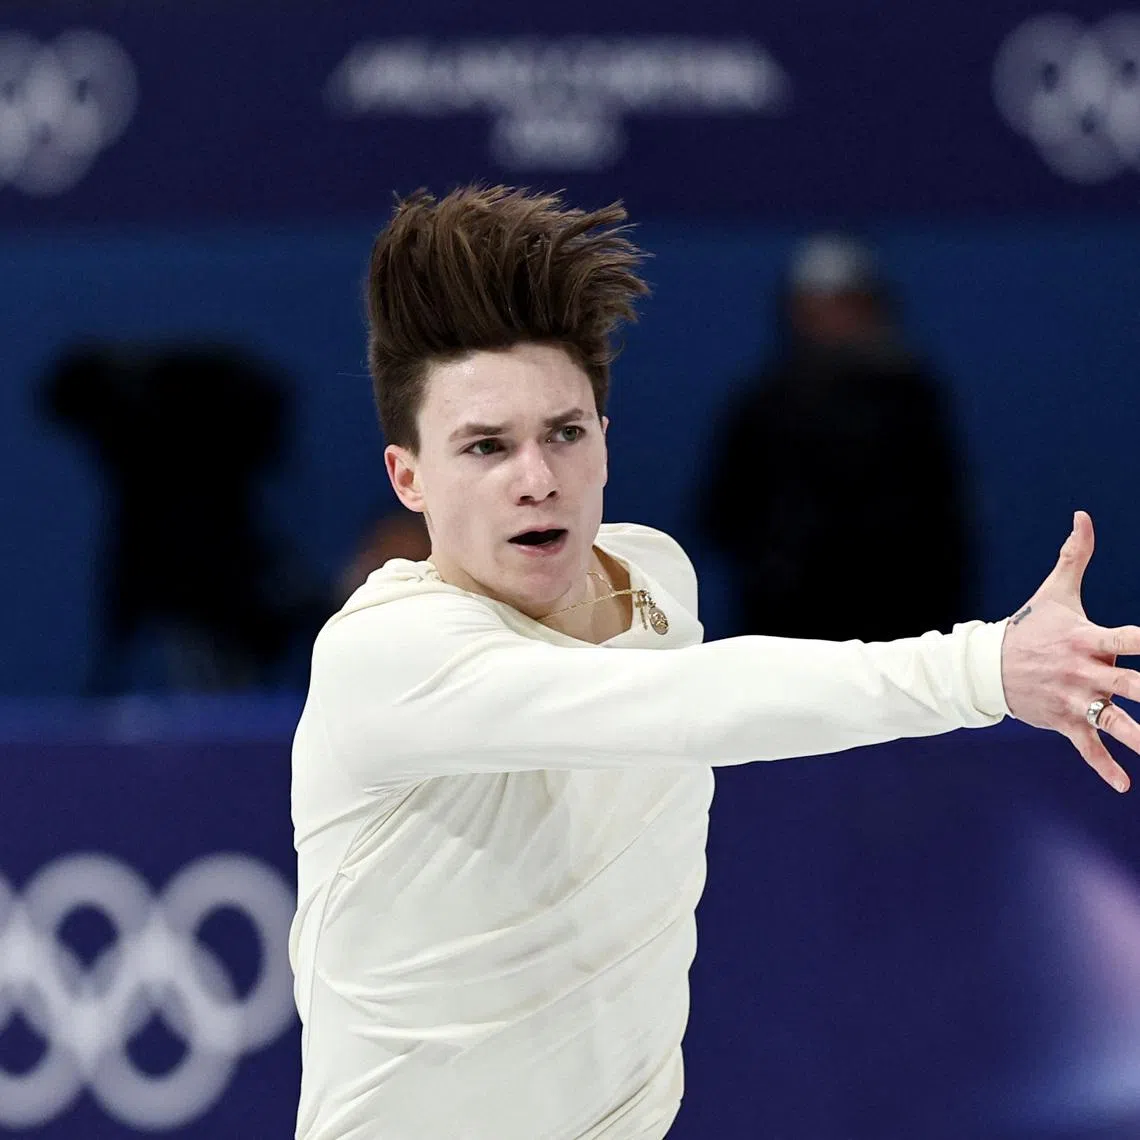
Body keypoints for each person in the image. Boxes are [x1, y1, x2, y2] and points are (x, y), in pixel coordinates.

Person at [289, 186, 1139, 1140]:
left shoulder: (654, 577)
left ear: (605, 441)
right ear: (409, 476)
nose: (537, 477)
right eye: (485, 447)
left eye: (565, 432)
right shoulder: (385, 656)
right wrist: (981, 668)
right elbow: (684, 702)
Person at [701, 233, 972, 642]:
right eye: (814, 306)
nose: (828, 319)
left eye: (844, 304)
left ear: (871, 307)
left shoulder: (912, 403)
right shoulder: (763, 405)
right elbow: (721, 513)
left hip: (899, 633)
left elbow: (946, 525)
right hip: (791, 634)